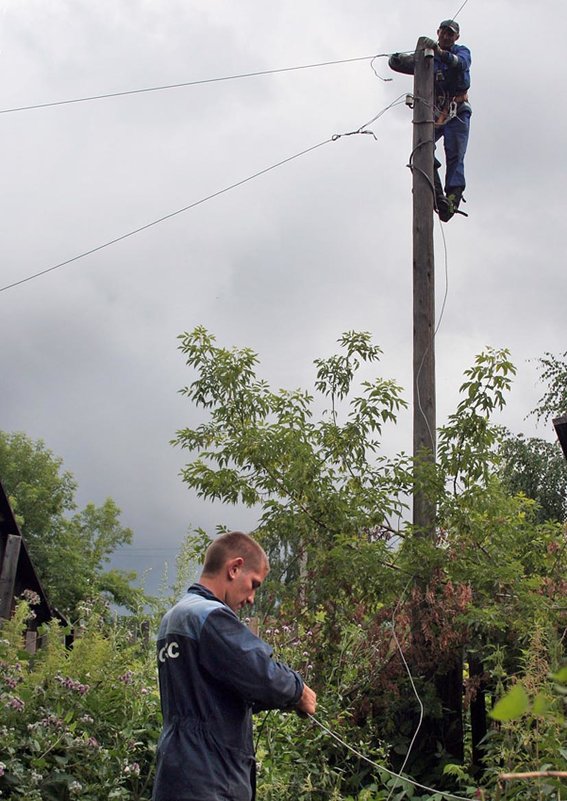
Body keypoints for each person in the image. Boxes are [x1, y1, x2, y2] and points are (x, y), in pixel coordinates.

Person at [152, 531, 317, 801]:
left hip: (176, 770)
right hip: (209, 777)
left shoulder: (173, 618)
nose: (252, 597)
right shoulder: (209, 616)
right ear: (234, 568)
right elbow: (262, 675)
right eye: (254, 584)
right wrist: (299, 692)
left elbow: (217, 692)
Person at [389, 20, 472, 221]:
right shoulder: (429, 58)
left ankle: (452, 198)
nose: (446, 36)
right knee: (422, 146)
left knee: (454, 152)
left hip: (457, 111)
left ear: (456, 37)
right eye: (443, 33)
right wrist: (396, 58)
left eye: (450, 34)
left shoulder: (461, 52)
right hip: (436, 113)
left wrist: (439, 52)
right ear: (438, 32)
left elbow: (460, 63)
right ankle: (435, 192)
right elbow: (399, 63)